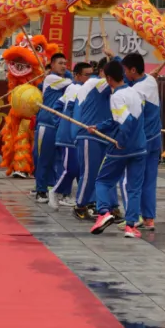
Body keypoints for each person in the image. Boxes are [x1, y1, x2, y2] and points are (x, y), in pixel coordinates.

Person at [90, 60, 146, 239]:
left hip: (122, 148)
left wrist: (121, 141)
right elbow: (117, 120)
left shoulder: (116, 97)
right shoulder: (134, 92)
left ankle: (104, 212)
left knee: (102, 181)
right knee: (134, 188)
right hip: (140, 148)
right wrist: (98, 127)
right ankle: (131, 227)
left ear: (108, 78)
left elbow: (125, 121)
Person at [122, 53, 161, 231]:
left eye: (125, 70)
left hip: (142, 141)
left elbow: (134, 118)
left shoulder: (135, 92)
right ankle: (149, 218)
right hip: (156, 139)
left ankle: (134, 216)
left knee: (133, 181)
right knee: (149, 181)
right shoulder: (151, 81)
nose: (124, 74)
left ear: (133, 70)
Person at [71, 64, 112, 221]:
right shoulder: (94, 83)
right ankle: (80, 205)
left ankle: (101, 206)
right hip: (89, 135)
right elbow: (120, 80)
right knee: (88, 173)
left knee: (100, 175)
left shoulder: (98, 86)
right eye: (86, 74)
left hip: (101, 135)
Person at [48, 61, 91, 208]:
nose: (90, 78)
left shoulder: (78, 88)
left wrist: (59, 124)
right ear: (77, 76)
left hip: (75, 134)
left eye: (92, 75)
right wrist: (63, 127)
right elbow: (72, 110)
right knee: (72, 168)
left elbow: (58, 105)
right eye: (87, 75)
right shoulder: (75, 88)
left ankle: (83, 200)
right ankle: (55, 191)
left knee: (79, 169)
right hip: (69, 137)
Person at [34, 53, 71, 203]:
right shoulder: (51, 79)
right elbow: (71, 82)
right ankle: (40, 191)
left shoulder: (60, 80)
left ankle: (57, 190)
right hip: (47, 124)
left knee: (61, 161)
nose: (64, 66)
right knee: (44, 159)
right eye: (60, 63)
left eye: (65, 63)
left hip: (60, 125)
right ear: (52, 65)